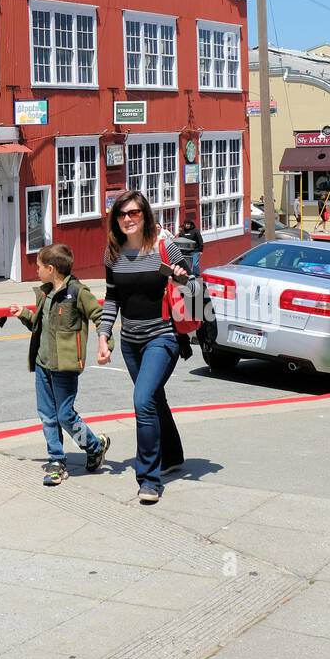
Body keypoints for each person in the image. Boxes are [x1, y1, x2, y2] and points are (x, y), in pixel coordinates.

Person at [97, 191, 190, 505]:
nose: (128, 219)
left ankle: (149, 480)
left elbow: (191, 280)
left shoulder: (163, 247)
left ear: (144, 215)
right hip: (130, 343)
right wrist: (103, 335)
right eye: (122, 214)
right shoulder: (113, 254)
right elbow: (112, 299)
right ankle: (174, 455)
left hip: (162, 337)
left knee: (142, 400)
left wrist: (181, 276)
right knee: (153, 398)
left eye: (134, 213)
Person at [8, 243, 110, 487]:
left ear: (51, 269)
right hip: (43, 364)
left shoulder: (77, 292)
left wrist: (105, 342)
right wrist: (23, 313)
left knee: (65, 415)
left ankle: (95, 446)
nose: (37, 271)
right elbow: (39, 325)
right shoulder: (46, 293)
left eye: (39, 267)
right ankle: (57, 461)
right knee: (47, 415)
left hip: (65, 366)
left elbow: (100, 315)